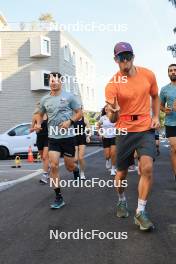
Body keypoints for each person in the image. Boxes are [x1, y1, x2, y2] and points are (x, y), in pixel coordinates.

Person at [105, 42, 160, 231]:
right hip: (124, 129)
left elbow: (155, 96)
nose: (125, 60)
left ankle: (141, 212)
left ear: (133, 57)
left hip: (145, 128)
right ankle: (121, 200)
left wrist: (155, 116)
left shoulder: (148, 75)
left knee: (147, 167)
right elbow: (111, 117)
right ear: (116, 60)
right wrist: (114, 112)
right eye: (121, 57)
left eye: (128, 56)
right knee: (121, 173)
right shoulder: (112, 84)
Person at [33, 72, 82, 209]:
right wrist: (37, 124)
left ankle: (75, 169)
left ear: (61, 81)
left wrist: (70, 121)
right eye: (51, 80)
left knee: (69, 166)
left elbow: (79, 113)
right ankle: (58, 197)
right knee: (53, 165)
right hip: (53, 138)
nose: (53, 82)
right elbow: (39, 114)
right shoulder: (45, 99)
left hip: (68, 138)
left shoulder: (69, 97)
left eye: (56, 80)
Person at [160, 64, 176, 181]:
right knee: (174, 148)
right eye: (170, 70)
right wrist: (165, 109)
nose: (173, 72)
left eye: (175, 70)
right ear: (168, 73)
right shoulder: (164, 89)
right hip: (171, 123)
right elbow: (160, 106)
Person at [97, 105, 117, 176]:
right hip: (105, 137)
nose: (106, 108)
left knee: (113, 153)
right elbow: (98, 126)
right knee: (107, 155)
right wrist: (100, 134)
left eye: (107, 107)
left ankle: (113, 169)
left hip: (114, 137)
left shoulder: (115, 116)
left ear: (111, 109)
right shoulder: (103, 118)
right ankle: (107, 160)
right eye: (105, 107)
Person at [31, 109, 49, 184]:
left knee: (45, 157)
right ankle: (47, 169)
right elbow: (31, 129)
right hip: (39, 138)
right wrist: (36, 128)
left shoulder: (49, 116)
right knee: (43, 157)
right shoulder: (35, 116)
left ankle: (44, 176)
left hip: (48, 138)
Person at [74, 113, 91, 180]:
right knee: (75, 159)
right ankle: (76, 170)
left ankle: (82, 173)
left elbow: (89, 129)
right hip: (74, 138)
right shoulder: (72, 118)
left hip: (82, 139)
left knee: (80, 158)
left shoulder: (84, 119)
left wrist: (88, 136)